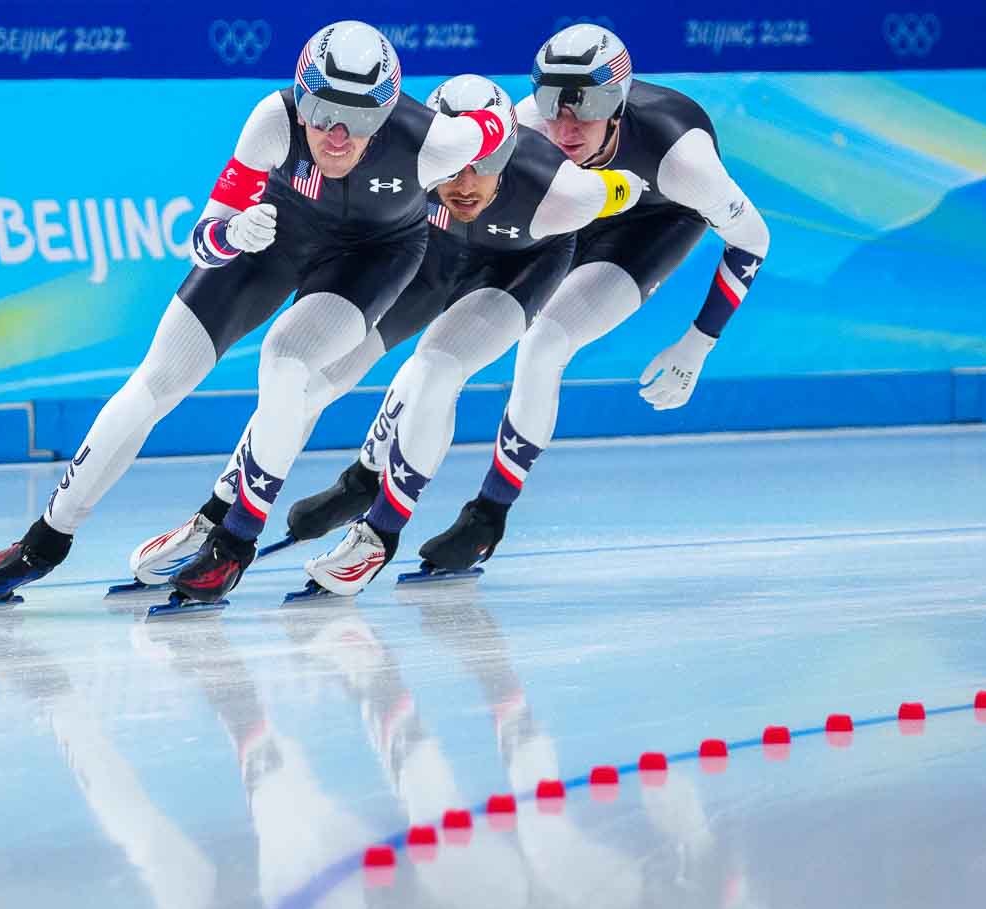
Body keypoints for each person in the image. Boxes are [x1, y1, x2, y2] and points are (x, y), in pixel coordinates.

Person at [0, 20, 525, 609]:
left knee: (285, 364)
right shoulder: (272, 121)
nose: (334, 134)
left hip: (374, 257)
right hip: (274, 236)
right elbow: (202, 238)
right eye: (322, 111)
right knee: (156, 381)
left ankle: (233, 542)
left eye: (358, 120)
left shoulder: (435, 141)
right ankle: (44, 540)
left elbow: (501, 123)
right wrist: (231, 234)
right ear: (301, 100)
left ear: (385, 114)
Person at [129, 74, 643, 597]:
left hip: (517, 269)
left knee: (436, 368)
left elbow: (630, 189)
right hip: (433, 259)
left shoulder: (563, 191)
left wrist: (635, 192)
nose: (465, 184)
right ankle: (220, 514)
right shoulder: (408, 161)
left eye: (484, 167)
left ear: (504, 155)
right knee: (312, 382)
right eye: (455, 168)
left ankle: (380, 533)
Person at [414, 23, 770, 573]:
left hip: (652, 222)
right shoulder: (520, 128)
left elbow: (753, 239)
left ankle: (487, 517)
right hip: (572, 208)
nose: (565, 126)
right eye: (552, 104)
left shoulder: (684, 161)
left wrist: (698, 342)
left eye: (587, 106)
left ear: (619, 104)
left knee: (544, 343)